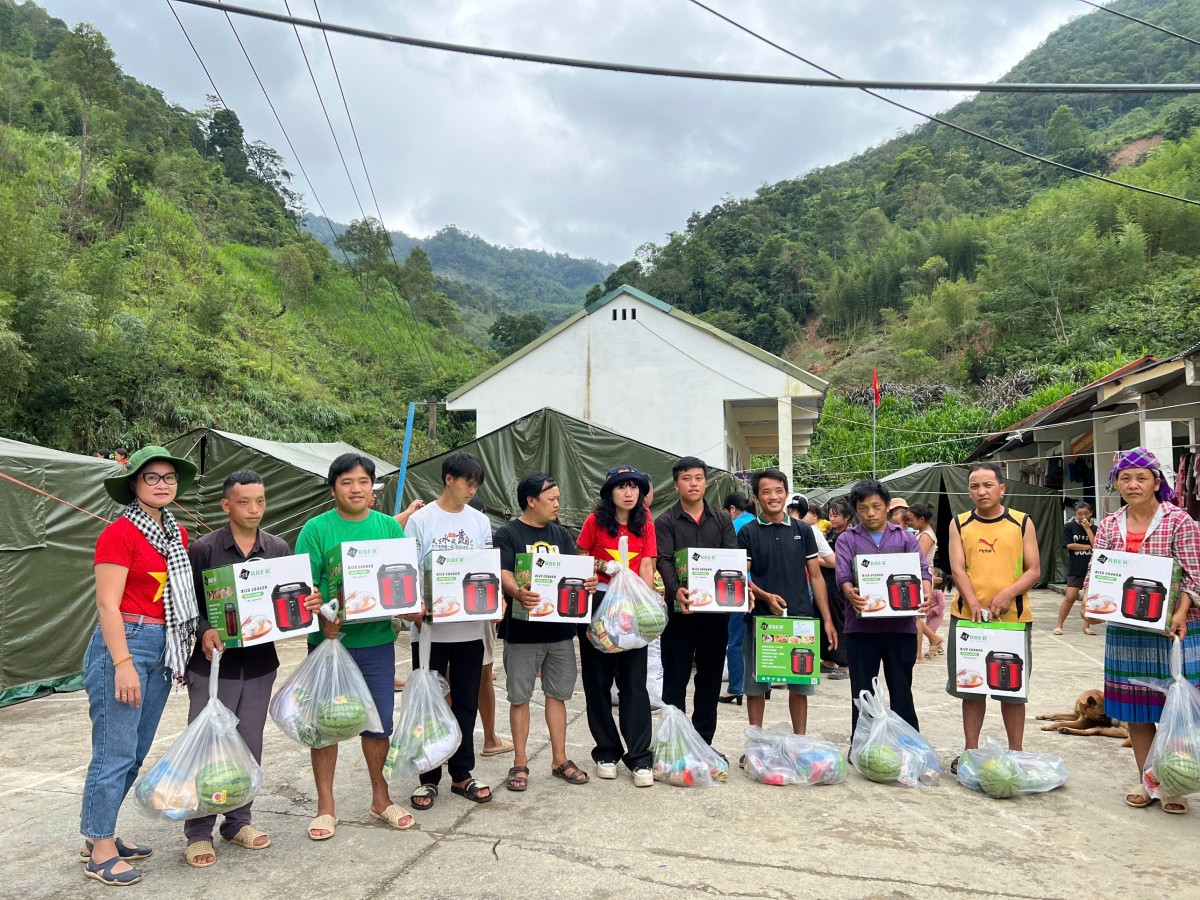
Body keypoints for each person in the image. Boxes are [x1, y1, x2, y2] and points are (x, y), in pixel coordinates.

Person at [182, 470, 322, 867]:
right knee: (209, 745)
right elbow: (188, 607)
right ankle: (197, 831)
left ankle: (238, 821)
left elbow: (293, 600)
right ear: (226, 505)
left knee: (248, 744)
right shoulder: (205, 550)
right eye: (244, 502)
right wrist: (206, 630)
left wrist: (308, 605)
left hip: (260, 664)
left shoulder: (277, 548)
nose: (254, 509)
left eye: (260, 501)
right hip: (213, 667)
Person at [81, 446, 200, 886]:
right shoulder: (120, 534)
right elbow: (107, 605)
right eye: (152, 477)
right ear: (134, 484)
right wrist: (123, 664)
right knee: (113, 750)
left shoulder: (176, 535)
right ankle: (100, 848)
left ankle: (99, 834)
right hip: (126, 641)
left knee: (135, 748)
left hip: (164, 642)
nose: (163, 483)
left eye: (169, 477)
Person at [296, 453, 415, 840]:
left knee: (378, 725)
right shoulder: (316, 530)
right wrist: (322, 617)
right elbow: (306, 589)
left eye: (363, 481)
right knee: (325, 726)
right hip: (329, 645)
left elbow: (404, 584)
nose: (356, 489)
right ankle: (325, 807)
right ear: (333, 488)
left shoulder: (388, 529)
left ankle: (381, 798)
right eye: (347, 482)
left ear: (373, 488)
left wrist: (414, 609)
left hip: (378, 642)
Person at [1089, 448, 1200, 813]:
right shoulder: (1108, 524)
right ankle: (1148, 779)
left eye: (1141, 477)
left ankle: (1176, 784)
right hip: (1127, 631)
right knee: (1137, 711)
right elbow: (1099, 571)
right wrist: (1091, 605)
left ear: (1156, 483)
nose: (1133, 484)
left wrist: (1181, 612)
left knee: (1175, 709)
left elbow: (1194, 575)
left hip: (1173, 630)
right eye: (1125, 478)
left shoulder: (1179, 520)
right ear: (1116, 484)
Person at [403, 451, 496, 807]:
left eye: (476, 485)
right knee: (429, 702)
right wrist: (415, 606)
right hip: (429, 631)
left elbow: (484, 568)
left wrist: (493, 602)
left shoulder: (478, 521)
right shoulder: (422, 520)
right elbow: (409, 568)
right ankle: (428, 777)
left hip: (470, 627)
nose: (472, 490)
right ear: (449, 480)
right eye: (467, 483)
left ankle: (462, 774)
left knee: (466, 702)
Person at [495, 472, 596, 791]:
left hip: (559, 630)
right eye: (551, 499)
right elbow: (504, 572)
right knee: (520, 697)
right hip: (522, 632)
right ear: (531, 501)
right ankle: (520, 762)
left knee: (557, 695)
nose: (557, 504)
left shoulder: (561, 534)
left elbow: (575, 571)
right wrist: (516, 592)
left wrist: (588, 583)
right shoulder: (508, 533)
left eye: (558, 498)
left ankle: (559, 759)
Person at [946, 461, 1041, 770]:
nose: (981, 491)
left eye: (988, 485)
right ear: (969, 491)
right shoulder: (959, 524)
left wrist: (1008, 593)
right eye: (975, 486)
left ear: (1002, 488)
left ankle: (1016, 754)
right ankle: (970, 752)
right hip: (967, 619)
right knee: (972, 688)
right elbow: (957, 568)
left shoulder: (1022, 522)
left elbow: (1034, 570)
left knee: (1012, 691)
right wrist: (972, 601)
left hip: (1011, 621)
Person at [738, 470, 837, 738]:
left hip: (800, 620)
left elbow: (816, 577)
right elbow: (742, 576)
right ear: (757, 497)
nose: (773, 496)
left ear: (786, 493)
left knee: (799, 684)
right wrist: (764, 596)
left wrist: (826, 619)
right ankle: (755, 742)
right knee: (756, 686)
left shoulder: (803, 530)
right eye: (766, 492)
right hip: (760, 620)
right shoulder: (747, 532)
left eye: (779, 490)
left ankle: (800, 741)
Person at [577, 464, 658, 786]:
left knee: (634, 684)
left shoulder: (645, 524)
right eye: (622, 486)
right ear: (610, 492)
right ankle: (607, 751)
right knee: (597, 683)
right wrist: (601, 565)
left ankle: (639, 757)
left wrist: (646, 603)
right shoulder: (595, 522)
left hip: (633, 609)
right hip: (599, 608)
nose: (629, 492)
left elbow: (649, 563)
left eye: (634, 487)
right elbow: (580, 556)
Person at [655, 457, 739, 747]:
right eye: (687, 478)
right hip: (680, 613)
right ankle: (673, 743)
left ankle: (703, 743)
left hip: (716, 615)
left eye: (699, 478)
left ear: (706, 482)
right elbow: (664, 559)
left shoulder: (722, 520)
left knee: (710, 678)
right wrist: (675, 589)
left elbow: (731, 559)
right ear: (677, 483)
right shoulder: (665, 520)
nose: (693, 483)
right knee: (675, 679)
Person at [836, 479, 931, 734]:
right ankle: (862, 744)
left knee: (901, 688)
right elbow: (842, 574)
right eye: (863, 507)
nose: (870, 513)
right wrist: (849, 591)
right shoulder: (847, 539)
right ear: (856, 510)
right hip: (860, 628)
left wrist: (927, 591)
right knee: (862, 691)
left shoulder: (905, 539)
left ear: (887, 506)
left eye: (876, 506)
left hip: (900, 628)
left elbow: (923, 570)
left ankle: (909, 743)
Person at [720, 491, 755, 705]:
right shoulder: (761, 523)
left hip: (738, 589)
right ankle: (765, 685)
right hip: (762, 590)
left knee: (735, 642)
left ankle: (735, 688)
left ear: (732, 509)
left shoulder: (731, 527)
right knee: (760, 639)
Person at [906, 503, 945, 660]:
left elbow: (917, 558)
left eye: (911, 520)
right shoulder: (922, 533)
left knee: (915, 616)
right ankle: (933, 639)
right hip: (920, 576)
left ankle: (918, 653)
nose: (909, 523)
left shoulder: (926, 535)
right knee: (913, 615)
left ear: (921, 519)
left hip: (922, 577)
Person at [1056, 500, 1101, 636]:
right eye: (1080, 514)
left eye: (1086, 513)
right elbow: (1069, 545)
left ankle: (1086, 626)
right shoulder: (1069, 527)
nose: (1083, 517)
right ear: (1075, 514)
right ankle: (1059, 625)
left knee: (1090, 598)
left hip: (1091, 567)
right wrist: (1088, 546)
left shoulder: (1095, 529)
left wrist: (1088, 529)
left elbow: (1097, 545)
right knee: (1070, 596)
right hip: (1076, 566)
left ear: (1091, 514)